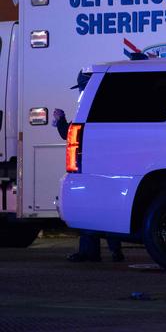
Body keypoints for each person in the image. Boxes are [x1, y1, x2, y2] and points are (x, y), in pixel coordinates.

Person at [53, 70, 125, 263]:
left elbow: (73, 133)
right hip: (113, 167)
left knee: (88, 209)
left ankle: (89, 252)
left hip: (92, 166)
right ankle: (115, 250)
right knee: (110, 208)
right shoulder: (115, 104)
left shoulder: (90, 105)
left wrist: (60, 120)